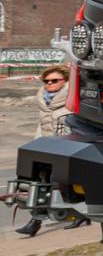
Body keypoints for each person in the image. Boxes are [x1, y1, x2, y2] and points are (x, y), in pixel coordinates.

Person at [16, 66, 74, 235]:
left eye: (55, 80)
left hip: (67, 147)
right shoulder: (43, 100)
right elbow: (41, 127)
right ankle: (35, 220)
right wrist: (36, 146)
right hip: (48, 148)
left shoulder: (73, 98)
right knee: (42, 183)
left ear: (65, 81)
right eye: (47, 81)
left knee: (65, 184)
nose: (50, 84)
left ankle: (78, 215)